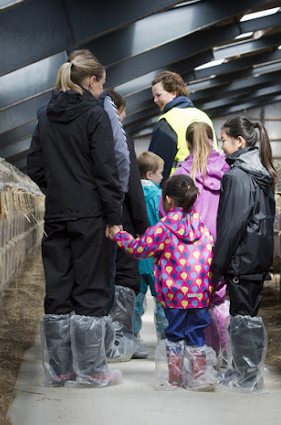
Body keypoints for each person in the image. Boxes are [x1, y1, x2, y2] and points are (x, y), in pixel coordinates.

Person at [26, 49, 122, 388]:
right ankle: (93, 370)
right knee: (91, 288)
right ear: (91, 80)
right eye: (101, 85)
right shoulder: (94, 116)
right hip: (90, 214)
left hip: (56, 213)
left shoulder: (45, 117)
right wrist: (113, 215)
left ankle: (61, 370)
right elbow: (106, 171)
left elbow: (34, 166)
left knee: (58, 288)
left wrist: (59, 188)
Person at [110, 175, 217, 391]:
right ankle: (199, 379)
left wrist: (119, 236)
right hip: (199, 295)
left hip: (175, 295)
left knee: (175, 335)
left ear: (168, 200)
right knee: (197, 335)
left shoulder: (163, 229)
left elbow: (139, 249)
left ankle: (175, 380)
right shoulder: (203, 230)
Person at [212, 116, 278, 393]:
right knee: (245, 316)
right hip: (255, 257)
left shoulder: (237, 176)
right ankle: (242, 372)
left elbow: (231, 227)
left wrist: (217, 266)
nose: (221, 146)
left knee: (242, 318)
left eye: (224, 140)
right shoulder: (260, 172)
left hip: (241, 259)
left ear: (239, 141)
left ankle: (247, 378)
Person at [163, 121, 230, 362]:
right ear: (213, 139)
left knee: (191, 303)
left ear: (187, 144)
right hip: (218, 246)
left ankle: (199, 358)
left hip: (186, 251)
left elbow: (166, 211)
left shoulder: (181, 174)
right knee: (218, 300)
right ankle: (223, 355)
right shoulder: (226, 169)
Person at [98, 89, 150, 362]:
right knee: (125, 276)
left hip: (92, 217)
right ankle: (120, 341)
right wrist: (141, 223)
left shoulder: (85, 130)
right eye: (123, 109)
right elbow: (131, 184)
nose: (126, 114)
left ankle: (97, 343)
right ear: (115, 108)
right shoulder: (119, 135)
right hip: (121, 216)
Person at [148, 71, 217, 183]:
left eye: (158, 95)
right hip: (209, 185)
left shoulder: (167, 121)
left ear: (174, 93)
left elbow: (154, 164)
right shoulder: (204, 117)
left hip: (179, 189)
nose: (155, 100)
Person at [133, 151, 169, 345]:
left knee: (136, 301)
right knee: (162, 300)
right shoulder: (159, 197)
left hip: (137, 257)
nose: (162, 177)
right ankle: (164, 339)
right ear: (149, 174)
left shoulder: (131, 195)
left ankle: (133, 338)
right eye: (160, 173)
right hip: (157, 259)